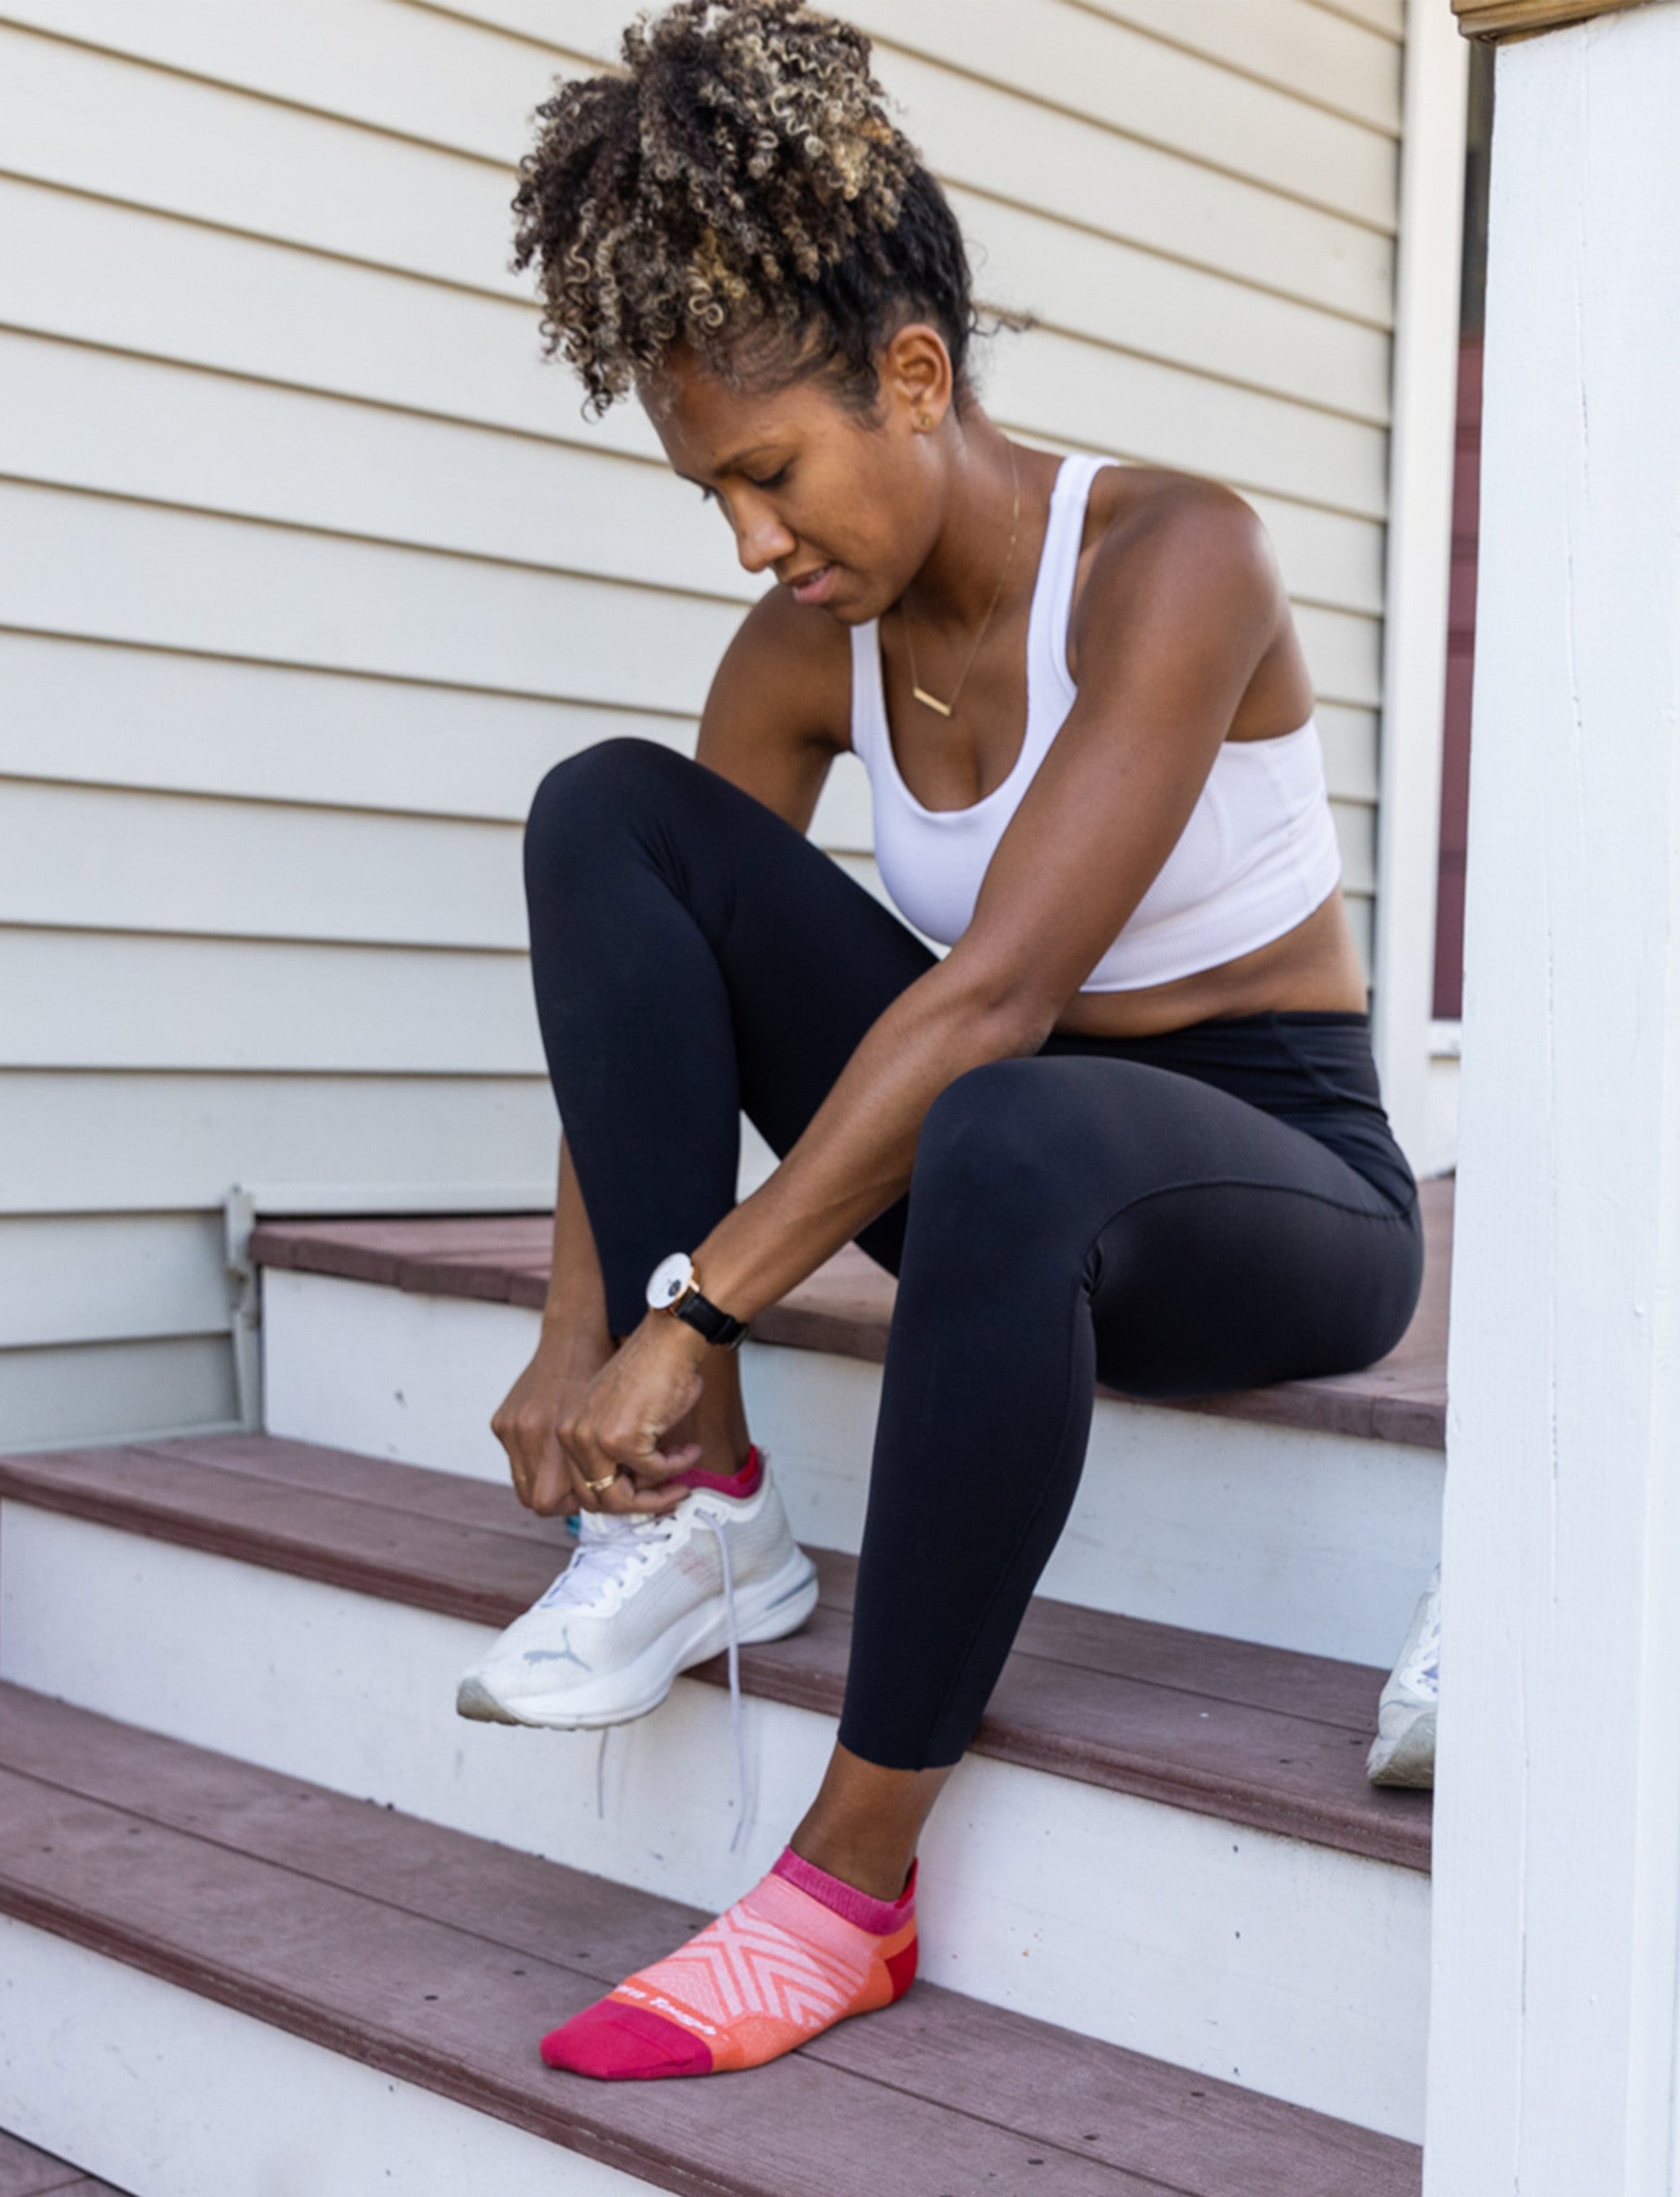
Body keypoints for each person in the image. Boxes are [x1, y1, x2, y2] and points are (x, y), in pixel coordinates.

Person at [461, 0, 1425, 2083]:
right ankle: (698, 1515)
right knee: (610, 814)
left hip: (1266, 1193)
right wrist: (583, 1326)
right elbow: (663, 980)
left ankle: (848, 1882)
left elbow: (988, 997)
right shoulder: (806, 649)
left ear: (914, 379)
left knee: (997, 1118)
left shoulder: (1179, 560)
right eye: (714, 493)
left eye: (771, 475)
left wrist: (704, 1302)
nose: (751, 539)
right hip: (1004, 1159)